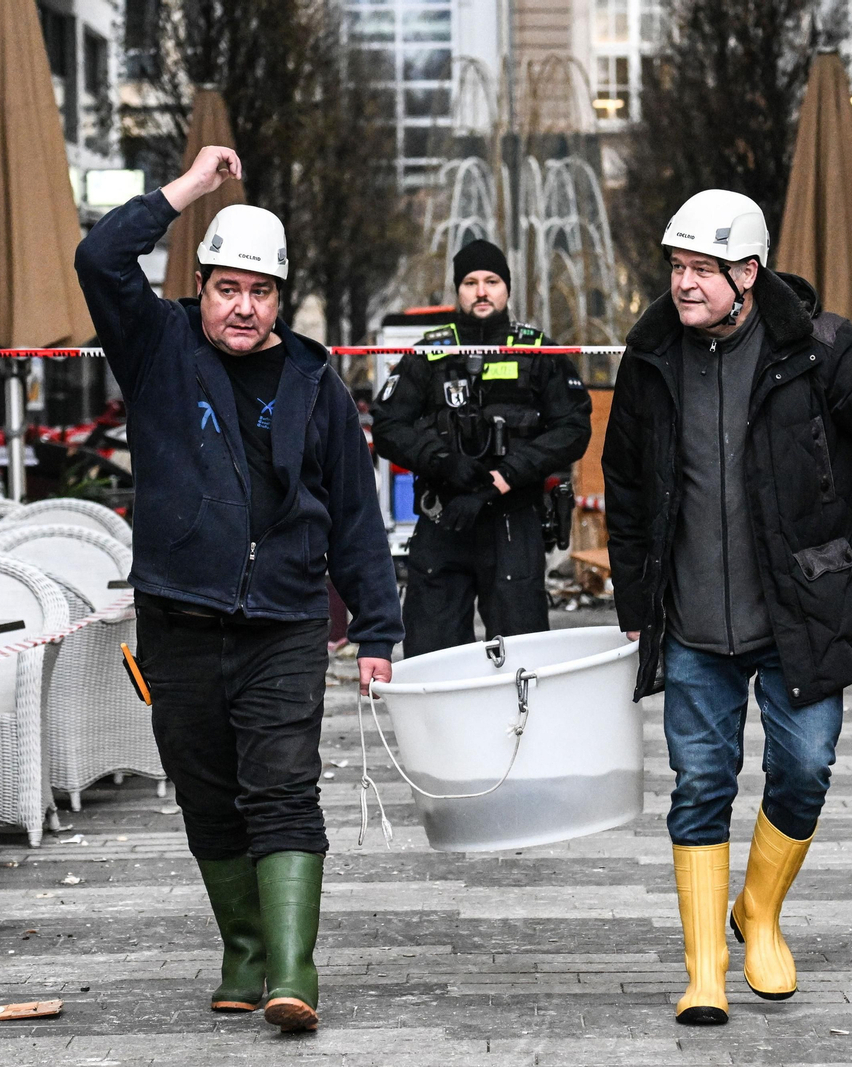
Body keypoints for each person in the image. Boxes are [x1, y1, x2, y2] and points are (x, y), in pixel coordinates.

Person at [602, 189, 852, 1027]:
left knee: (804, 768)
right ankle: (704, 971)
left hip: (803, 611)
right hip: (693, 621)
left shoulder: (819, 347)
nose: (683, 284)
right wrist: (634, 598)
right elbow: (625, 482)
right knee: (700, 783)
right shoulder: (651, 351)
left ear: (748, 273)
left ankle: (757, 911)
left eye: (702, 269)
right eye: (677, 266)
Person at [74, 145, 403, 1035]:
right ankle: (244, 948)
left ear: (279, 297)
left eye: (260, 291)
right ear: (204, 286)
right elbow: (99, 256)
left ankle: (294, 969)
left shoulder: (315, 382)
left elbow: (355, 517)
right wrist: (187, 189)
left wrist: (377, 629)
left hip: (286, 618)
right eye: (227, 288)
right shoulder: (156, 345)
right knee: (205, 786)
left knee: (285, 785)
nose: (244, 307)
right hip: (178, 612)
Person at [371, 239, 592, 656]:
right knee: (432, 655)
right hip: (445, 518)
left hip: (513, 520)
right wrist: (442, 461)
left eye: (492, 281)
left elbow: (574, 428)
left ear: (507, 288)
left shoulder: (538, 351)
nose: (482, 291)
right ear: (458, 291)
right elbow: (387, 425)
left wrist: (504, 477)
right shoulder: (430, 354)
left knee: (521, 661)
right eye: (470, 282)